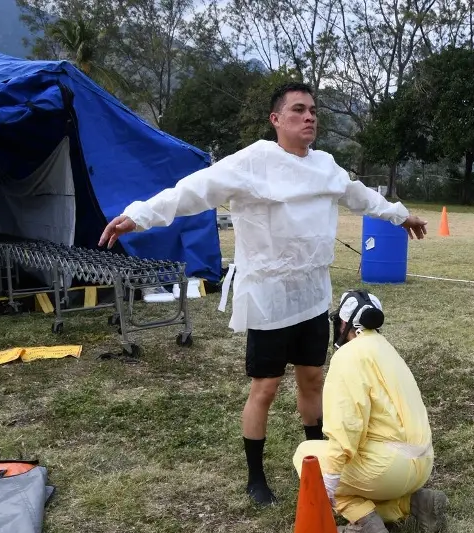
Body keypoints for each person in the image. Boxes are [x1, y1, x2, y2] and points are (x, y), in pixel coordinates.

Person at [97, 82, 428, 505]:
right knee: (266, 387)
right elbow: (193, 190)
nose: (309, 117)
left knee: (313, 378)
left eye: (313, 111)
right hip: (269, 294)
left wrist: (400, 217)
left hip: (311, 291)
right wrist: (140, 215)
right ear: (276, 119)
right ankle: (256, 477)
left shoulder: (326, 165)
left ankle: (319, 464)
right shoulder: (251, 163)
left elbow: (359, 195)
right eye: (298, 110)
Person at [292, 290, 447, 533]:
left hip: (388, 468)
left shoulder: (349, 356)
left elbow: (346, 426)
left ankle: (364, 523)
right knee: (358, 467)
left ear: (344, 324)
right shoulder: (388, 350)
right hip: (423, 462)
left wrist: (328, 481)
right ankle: (413, 503)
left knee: (306, 453)